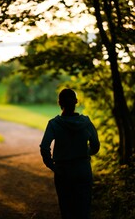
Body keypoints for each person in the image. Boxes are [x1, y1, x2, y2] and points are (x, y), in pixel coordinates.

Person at [40, 88, 100, 219]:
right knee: (84, 209)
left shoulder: (54, 124)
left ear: (59, 103)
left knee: (66, 209)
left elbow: (44, 147)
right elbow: (95, 145)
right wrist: (85, 152)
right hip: (83, 169)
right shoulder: (86, 122)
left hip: (63, 171)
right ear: (76, 102)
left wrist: (52, 166)